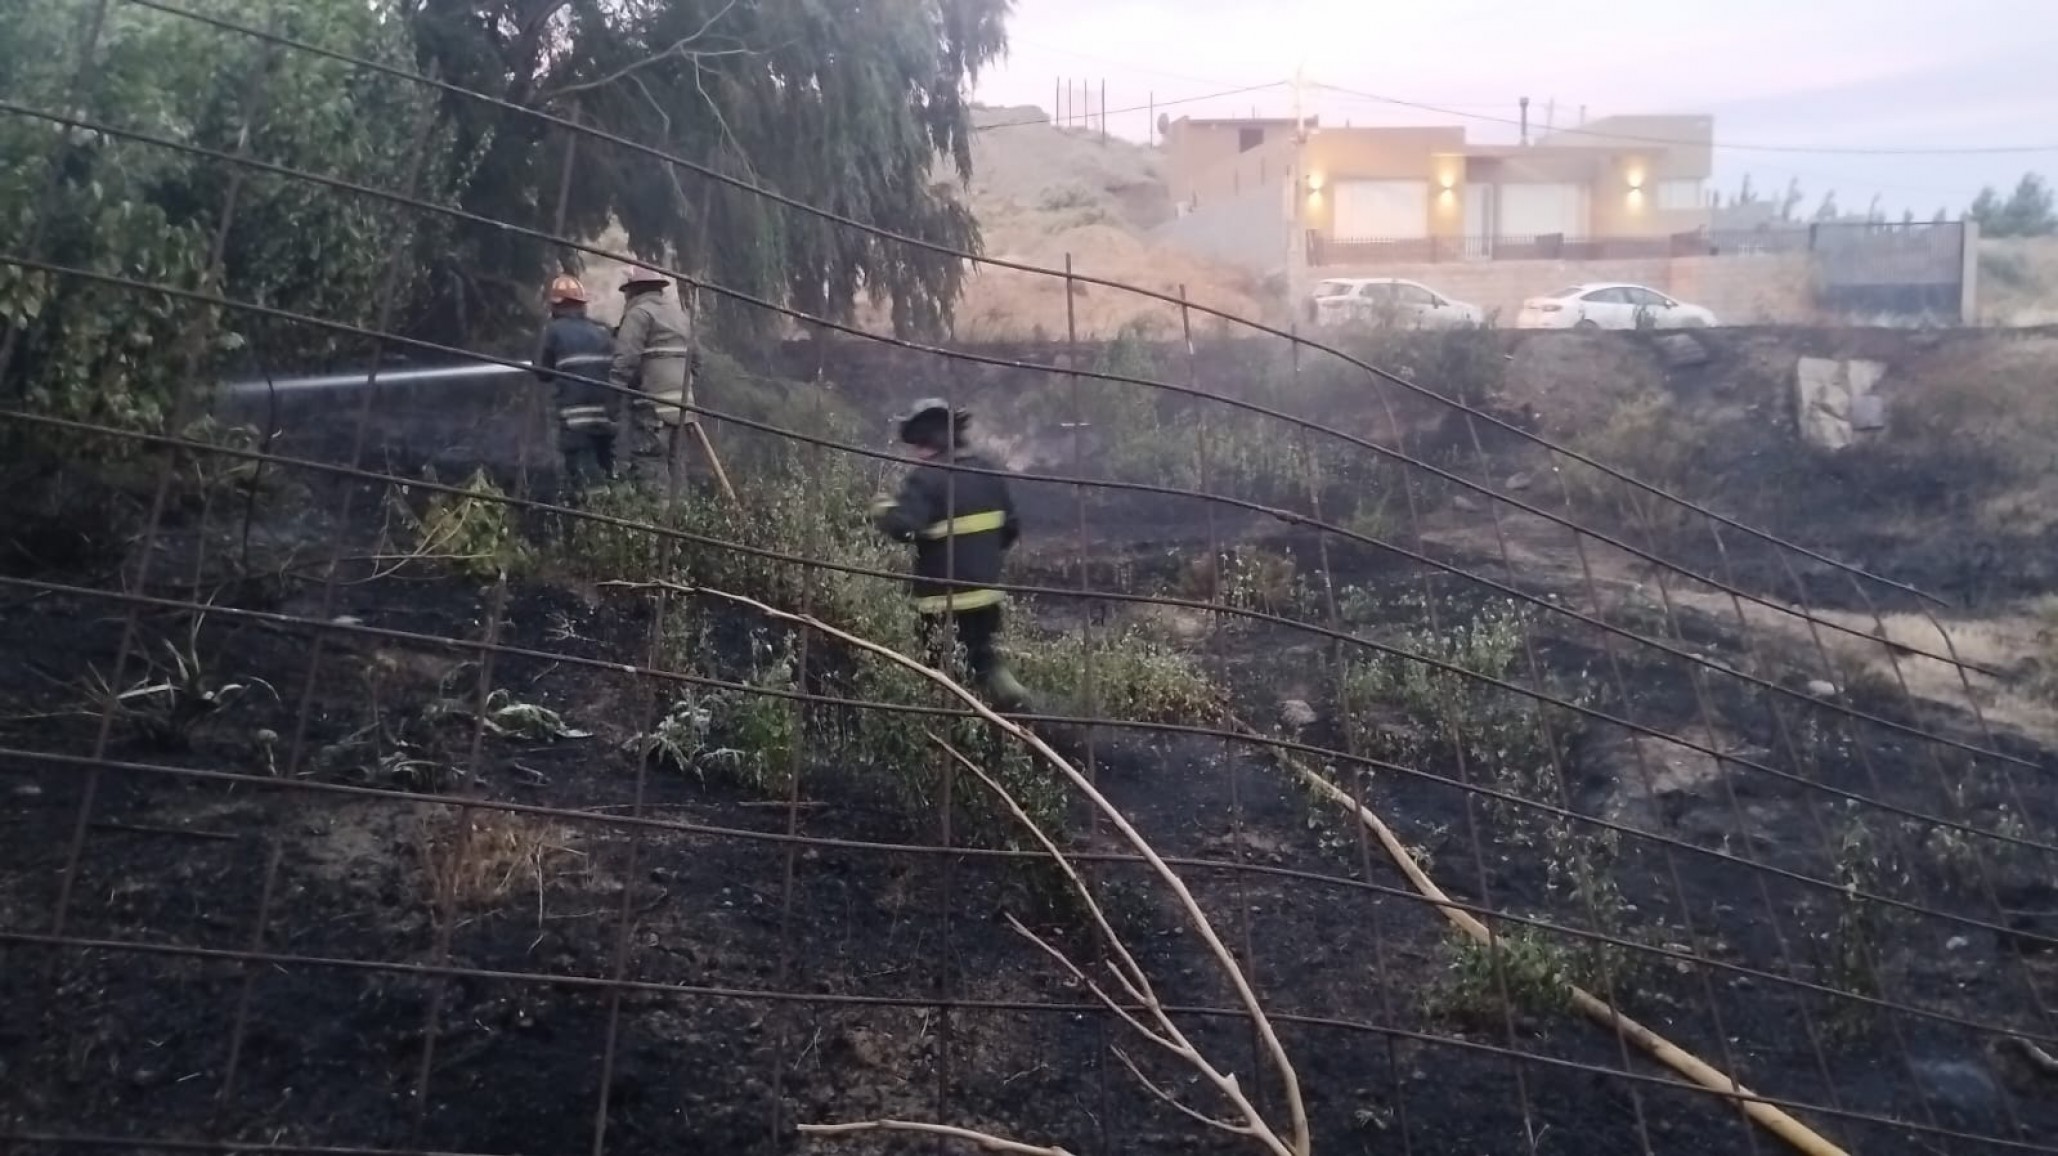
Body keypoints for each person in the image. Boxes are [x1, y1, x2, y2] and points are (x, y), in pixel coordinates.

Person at [870, 399, 1035, 712]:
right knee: (983, 659)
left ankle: (955, 724)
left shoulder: (926, 478)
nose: (915, 454)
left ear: (927, 442)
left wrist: (882, 509)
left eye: (916, 445)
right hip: (985, 598)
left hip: (940, 602)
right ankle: (1014, 706)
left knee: (941, 672)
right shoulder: (988, 473)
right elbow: (1010, 528)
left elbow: (904, 527)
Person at [608, 264, 697, 491]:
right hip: (685, 409)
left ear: (633, 290)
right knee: (678, 470)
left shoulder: (639, 314)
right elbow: (697, 360)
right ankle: (681, 521)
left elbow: (626, 357)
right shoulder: (680, 316)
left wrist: (614, 392)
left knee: (651, 468)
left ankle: (656, 520)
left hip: (652, 408)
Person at [532, 274, 618, 502]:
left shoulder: (553, 331)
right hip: (606, 416)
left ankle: (594, 520)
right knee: (607, 468)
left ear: (556, 306)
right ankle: (618, 511)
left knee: (584, 477)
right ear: (582, 304)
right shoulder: (602, 331)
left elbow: (542, 371)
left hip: (575, 419)